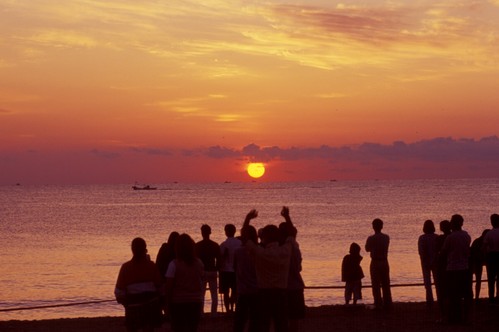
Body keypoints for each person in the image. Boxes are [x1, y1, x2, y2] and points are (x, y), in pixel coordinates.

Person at [244, 208, 293, 332]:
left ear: (264, 237)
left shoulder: (260, 252)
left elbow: (245, 238)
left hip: (264, 294)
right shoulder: (285, 251)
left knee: (263, 326)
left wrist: (248, 219)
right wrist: (287, 217)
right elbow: (291, 235)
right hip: (281, 293)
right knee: (282, 325)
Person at [115, 237, 163, 332]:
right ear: (145, 250)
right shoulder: (151, 266)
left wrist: (126, 303)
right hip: (150, 308)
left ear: (132, 250)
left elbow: (119, 292)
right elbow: (161, 289)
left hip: (133, 308)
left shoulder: (125, 268)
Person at [165, 233, 205, 332]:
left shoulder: (173, 264)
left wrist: (167, 304)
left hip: (178, 302)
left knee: (178, 328)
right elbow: (201, 280)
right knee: (192, 328)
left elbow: (169, 287)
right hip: (195, 300)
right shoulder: (199, 263)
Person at [440, 214, 472, 325]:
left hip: (452, 268)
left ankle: (454, 317)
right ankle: (466, 317)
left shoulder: (450, 237)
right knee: (466, 294)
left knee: (453, 294)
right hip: (464, 267)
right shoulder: (467, 236)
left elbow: (444, 252)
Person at [279, 206, 305, 332]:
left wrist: (287, 218)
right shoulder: (293, 246)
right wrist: (287, 217)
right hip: (294, 286)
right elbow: (292, 233)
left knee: (286, 318)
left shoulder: (282, 248)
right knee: (294, 318)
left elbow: (292, 233)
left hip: (284, 287)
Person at [234, 224, 259, 332]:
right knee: (254, 320)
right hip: (256, 290)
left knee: (240, 320)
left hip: (243, 290)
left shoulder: (238, 252)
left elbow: (234, 267)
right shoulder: (259, 251)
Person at [365, 218, 392, 310]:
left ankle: (378, 302)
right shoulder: (386, 237)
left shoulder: (371, 238)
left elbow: (367, 249)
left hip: (375, 262)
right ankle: (387, 302)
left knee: (375, 284)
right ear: (382, 226)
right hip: (384, 261)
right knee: (386, 283)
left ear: (373, 227)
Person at [195, 224, 221, 316]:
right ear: (210, 232)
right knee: (214, 294)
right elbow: (219, 259)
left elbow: (195, 260)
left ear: (202, 233)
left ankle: (201, 313)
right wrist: (217, 269)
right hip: (212, 270)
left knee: (201, 294)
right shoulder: (215, 245)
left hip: (202, 271)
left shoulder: (197, 245)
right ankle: (214, 313)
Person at [219, 223, 242, 313]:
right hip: (236, 270)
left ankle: (228, 309)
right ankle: (234, 308)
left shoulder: (223, 245)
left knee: (225, 292)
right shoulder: (239, 243)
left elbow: (221, 258)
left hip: (225, 270)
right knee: (234, 291)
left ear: (226, 232)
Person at [418, 220, 438, 305]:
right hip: (435, 261)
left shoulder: (422, 238)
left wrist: (424, 260)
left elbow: (421, 251)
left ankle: (429, 300)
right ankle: (439, 298)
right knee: (437, 281)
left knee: (427, 283)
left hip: (425, 261)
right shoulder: (436, 237)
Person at [435, 219, 451, 320]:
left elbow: (437, 250)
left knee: (441, 290)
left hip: (442, 265)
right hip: (450, 264)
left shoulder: (440, 238)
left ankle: (443, 312)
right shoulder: (451, 236)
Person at [483, 213, 499, 304]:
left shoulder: (489, 233)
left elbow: (484, 247)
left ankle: (491, 299)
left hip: (492, 257)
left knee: (491, 280)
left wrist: (485, 256)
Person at [470, 229, 489, 300]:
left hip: (478, 261)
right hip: (476, 262)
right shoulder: (479, 242)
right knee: (478, 280)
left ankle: (476, 297)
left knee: (477, 280)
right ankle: (476, 297)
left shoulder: (477, 241)